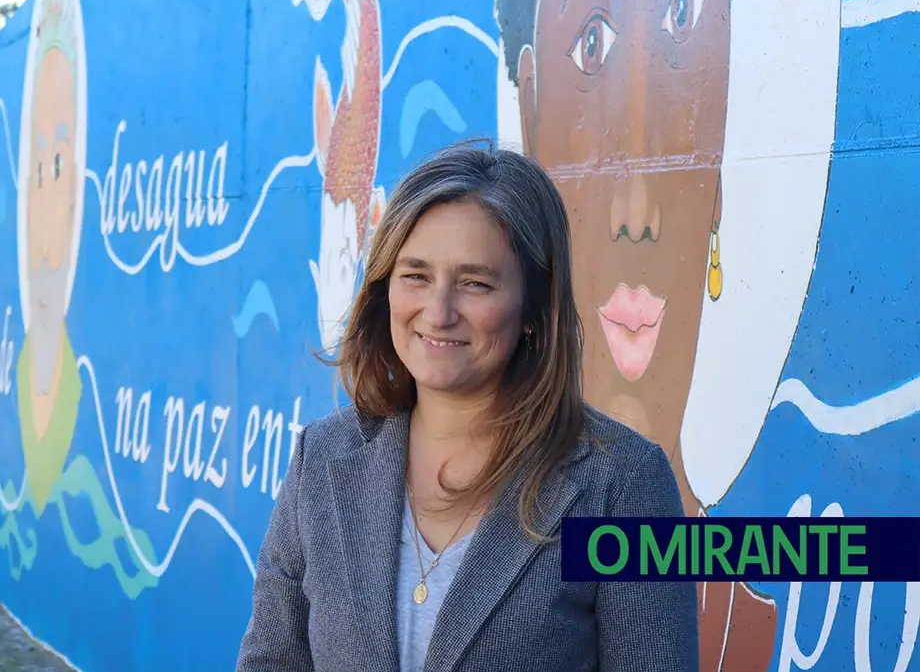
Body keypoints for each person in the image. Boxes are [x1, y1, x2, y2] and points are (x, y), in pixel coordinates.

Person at [235, 141, 698, 672]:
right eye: (416, 276)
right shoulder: (321, 460)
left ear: (532, 307)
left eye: (475, 283)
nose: (438, 311)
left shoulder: (623, 486)